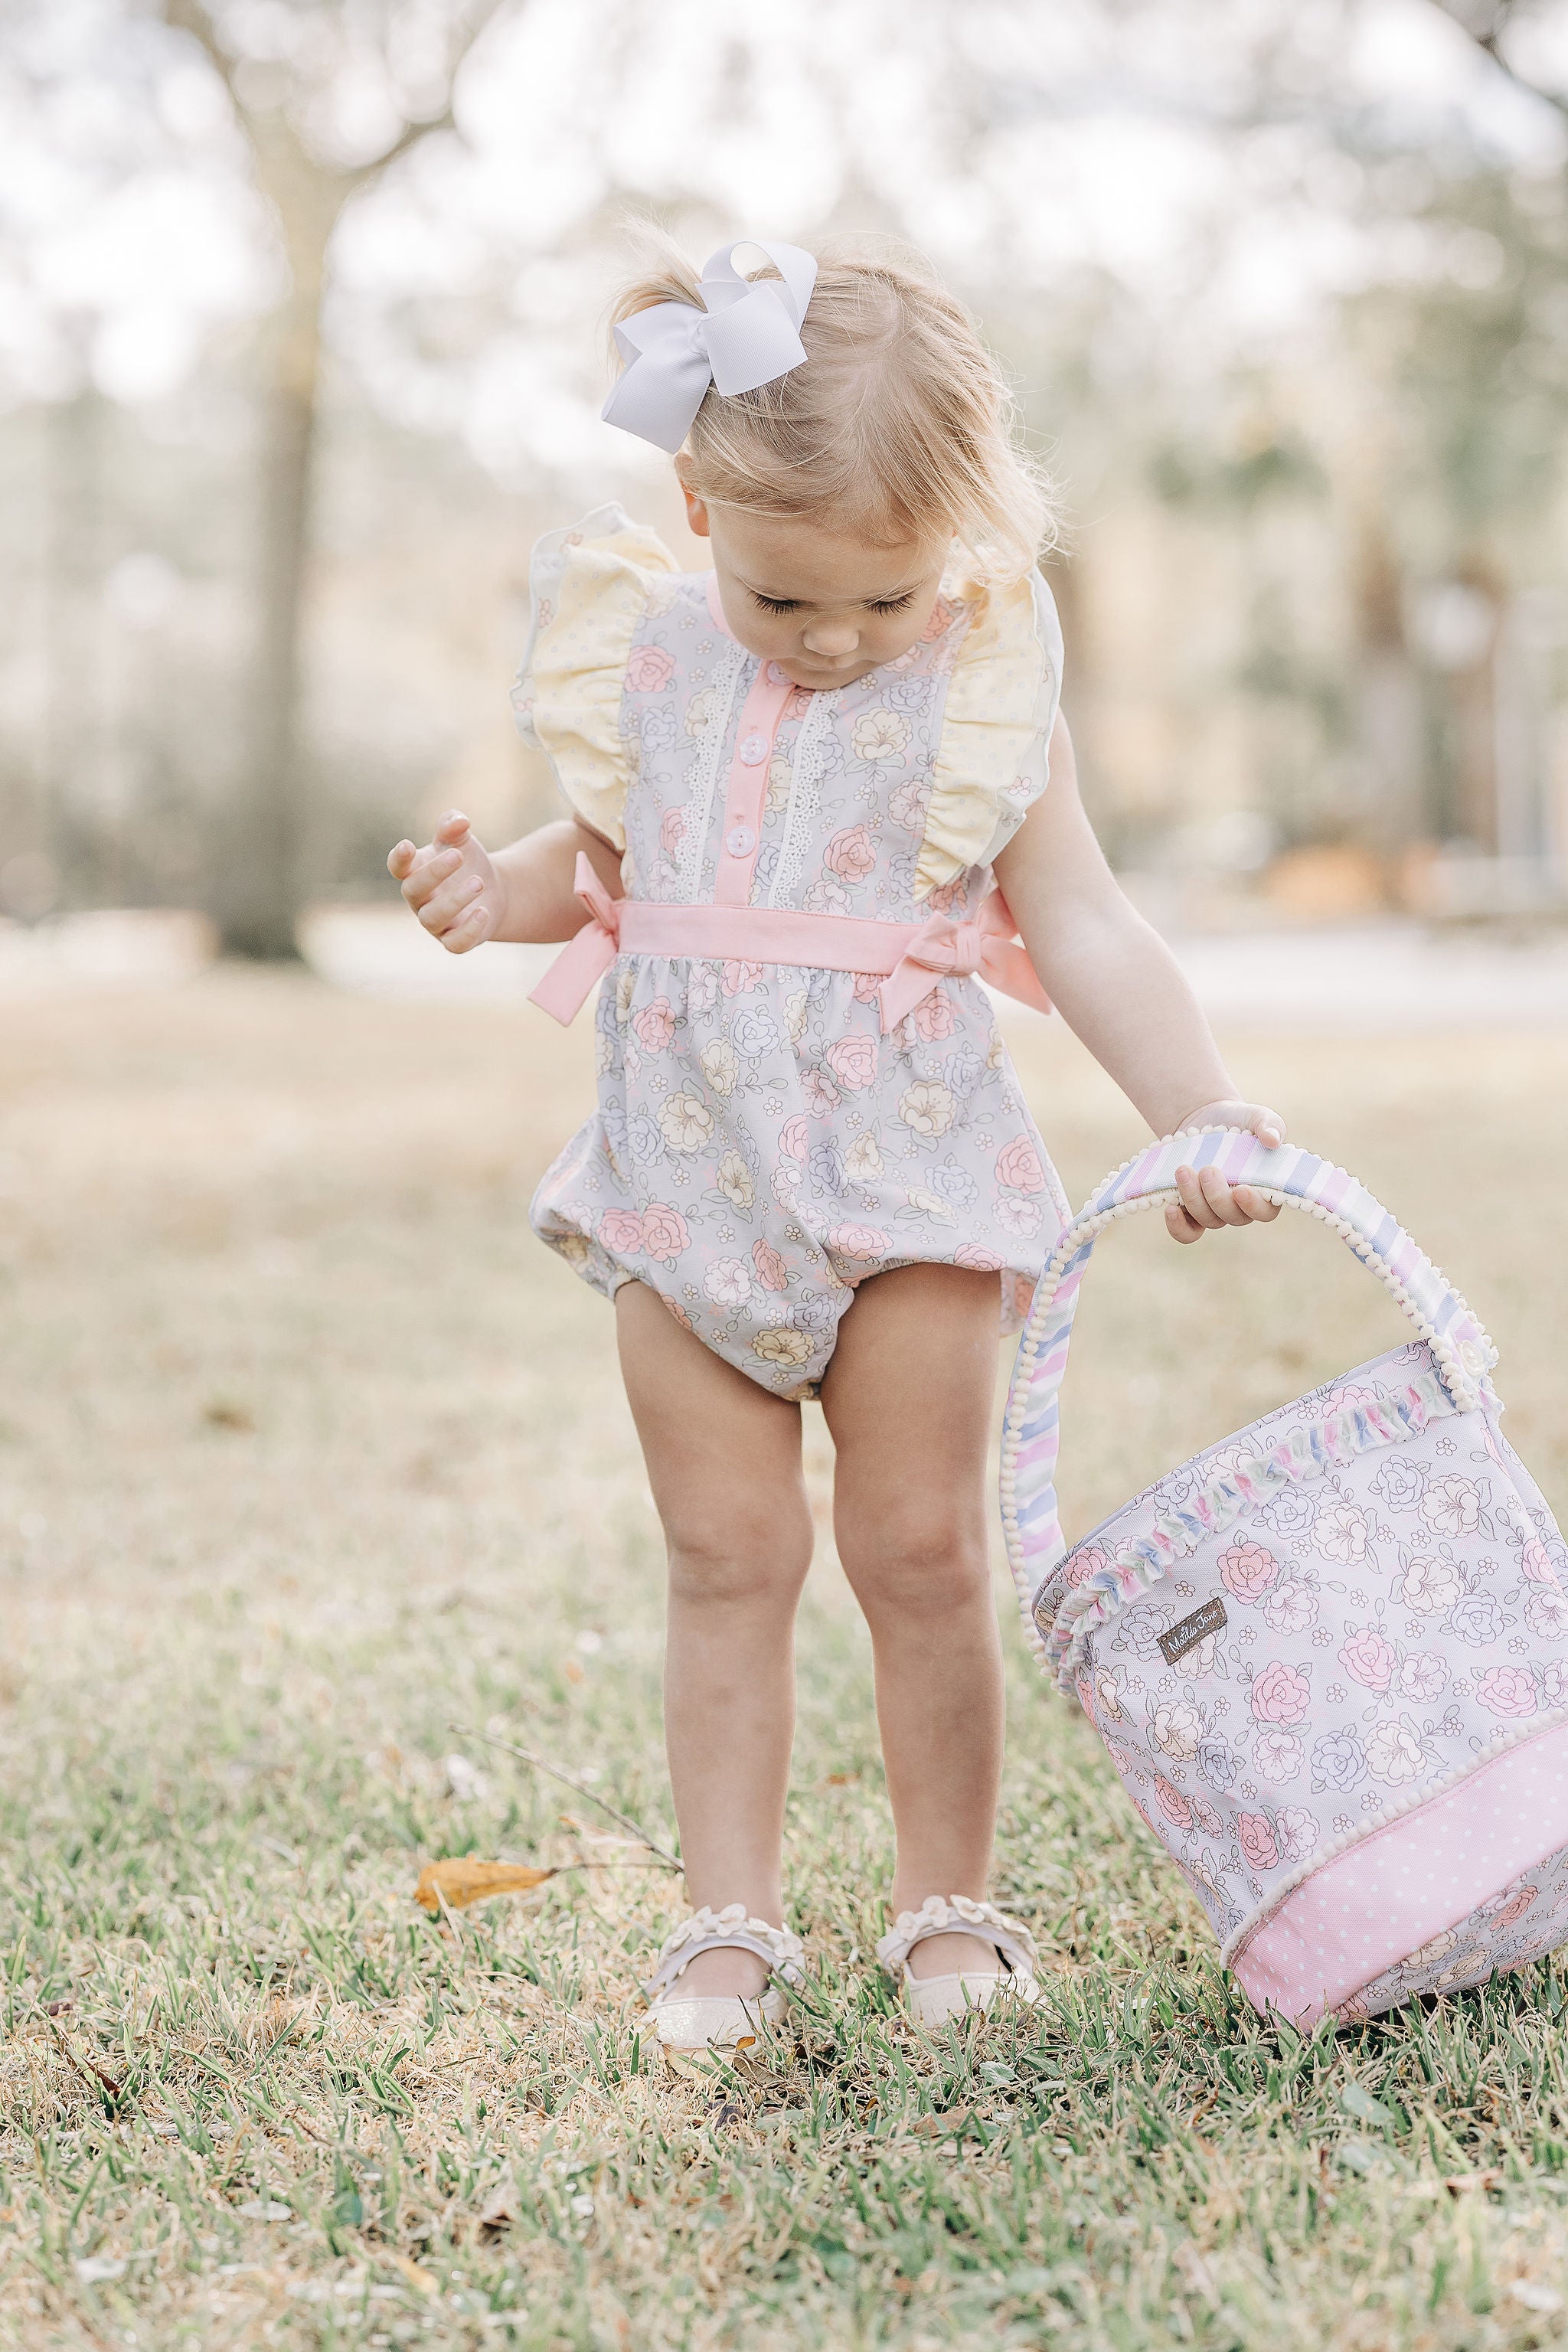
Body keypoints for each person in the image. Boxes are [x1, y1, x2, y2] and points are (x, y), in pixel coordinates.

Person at [389, 234, 1285, 2050]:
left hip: (911, 1185)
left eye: (879, 603)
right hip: (684, 1180)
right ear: (699, 502)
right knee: (721, 1554)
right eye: (788, 601)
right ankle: (726, 1922)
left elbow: (1089, 924)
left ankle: (946, 1907)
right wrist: (499, 895)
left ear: (951, 547)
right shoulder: (646, 658)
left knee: (920, 1552)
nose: (833, 644)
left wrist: (1206, 1109)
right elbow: (616, 860)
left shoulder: (973, 686)